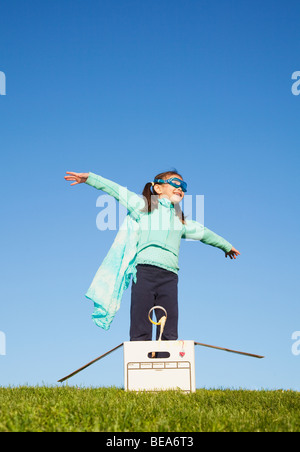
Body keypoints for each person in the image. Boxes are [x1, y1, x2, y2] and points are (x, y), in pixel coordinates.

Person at [64, 170, 240, 341]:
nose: (181, 188)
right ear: (158, 188)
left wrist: (226, 246)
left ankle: (167, 354)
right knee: (141, 318)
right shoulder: (143, 207)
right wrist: (89, 178)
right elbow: (117, 190)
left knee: (169, 321)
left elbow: (205, 233)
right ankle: (139, 348)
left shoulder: (181, 222)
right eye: (175, 183)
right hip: (144, 272)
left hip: (169, 276)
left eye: (184, 186)